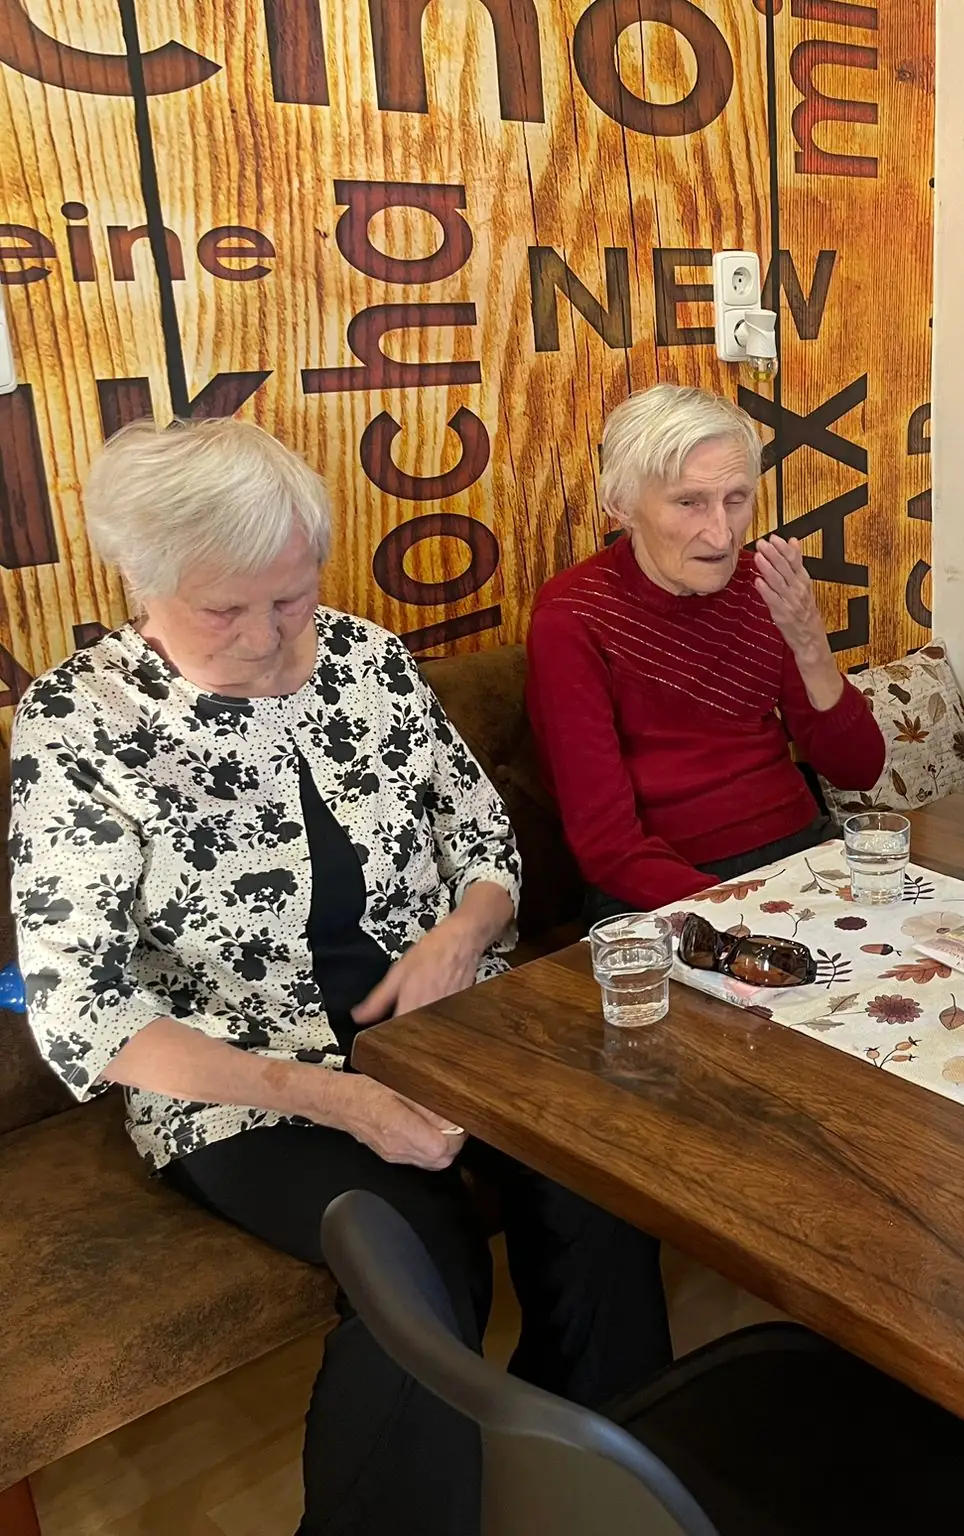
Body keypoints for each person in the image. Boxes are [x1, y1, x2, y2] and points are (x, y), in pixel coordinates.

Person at [8, 419, 671, 1536]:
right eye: (227, 609)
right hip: (245, 1085)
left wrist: (461, 935)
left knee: (597, 1173)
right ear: (142, 583)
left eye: (293, 597)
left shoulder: (368, 661)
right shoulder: (81, 723)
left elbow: (484, 841)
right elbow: (82, 1010)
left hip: (452, 1025)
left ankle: (600, 1471)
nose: (271, 637)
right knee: (420, 1255)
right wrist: (339, 1098)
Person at [526, 384, 886, 921]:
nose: (721, 535)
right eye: (689, 502)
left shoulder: (760, 584)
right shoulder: (571, 616)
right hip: (664, 890)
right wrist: (740, 914)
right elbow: (608, 847)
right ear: (621, 505)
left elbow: (860, 770)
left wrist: (811, 643)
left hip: (801, 854)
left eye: (735, 500)